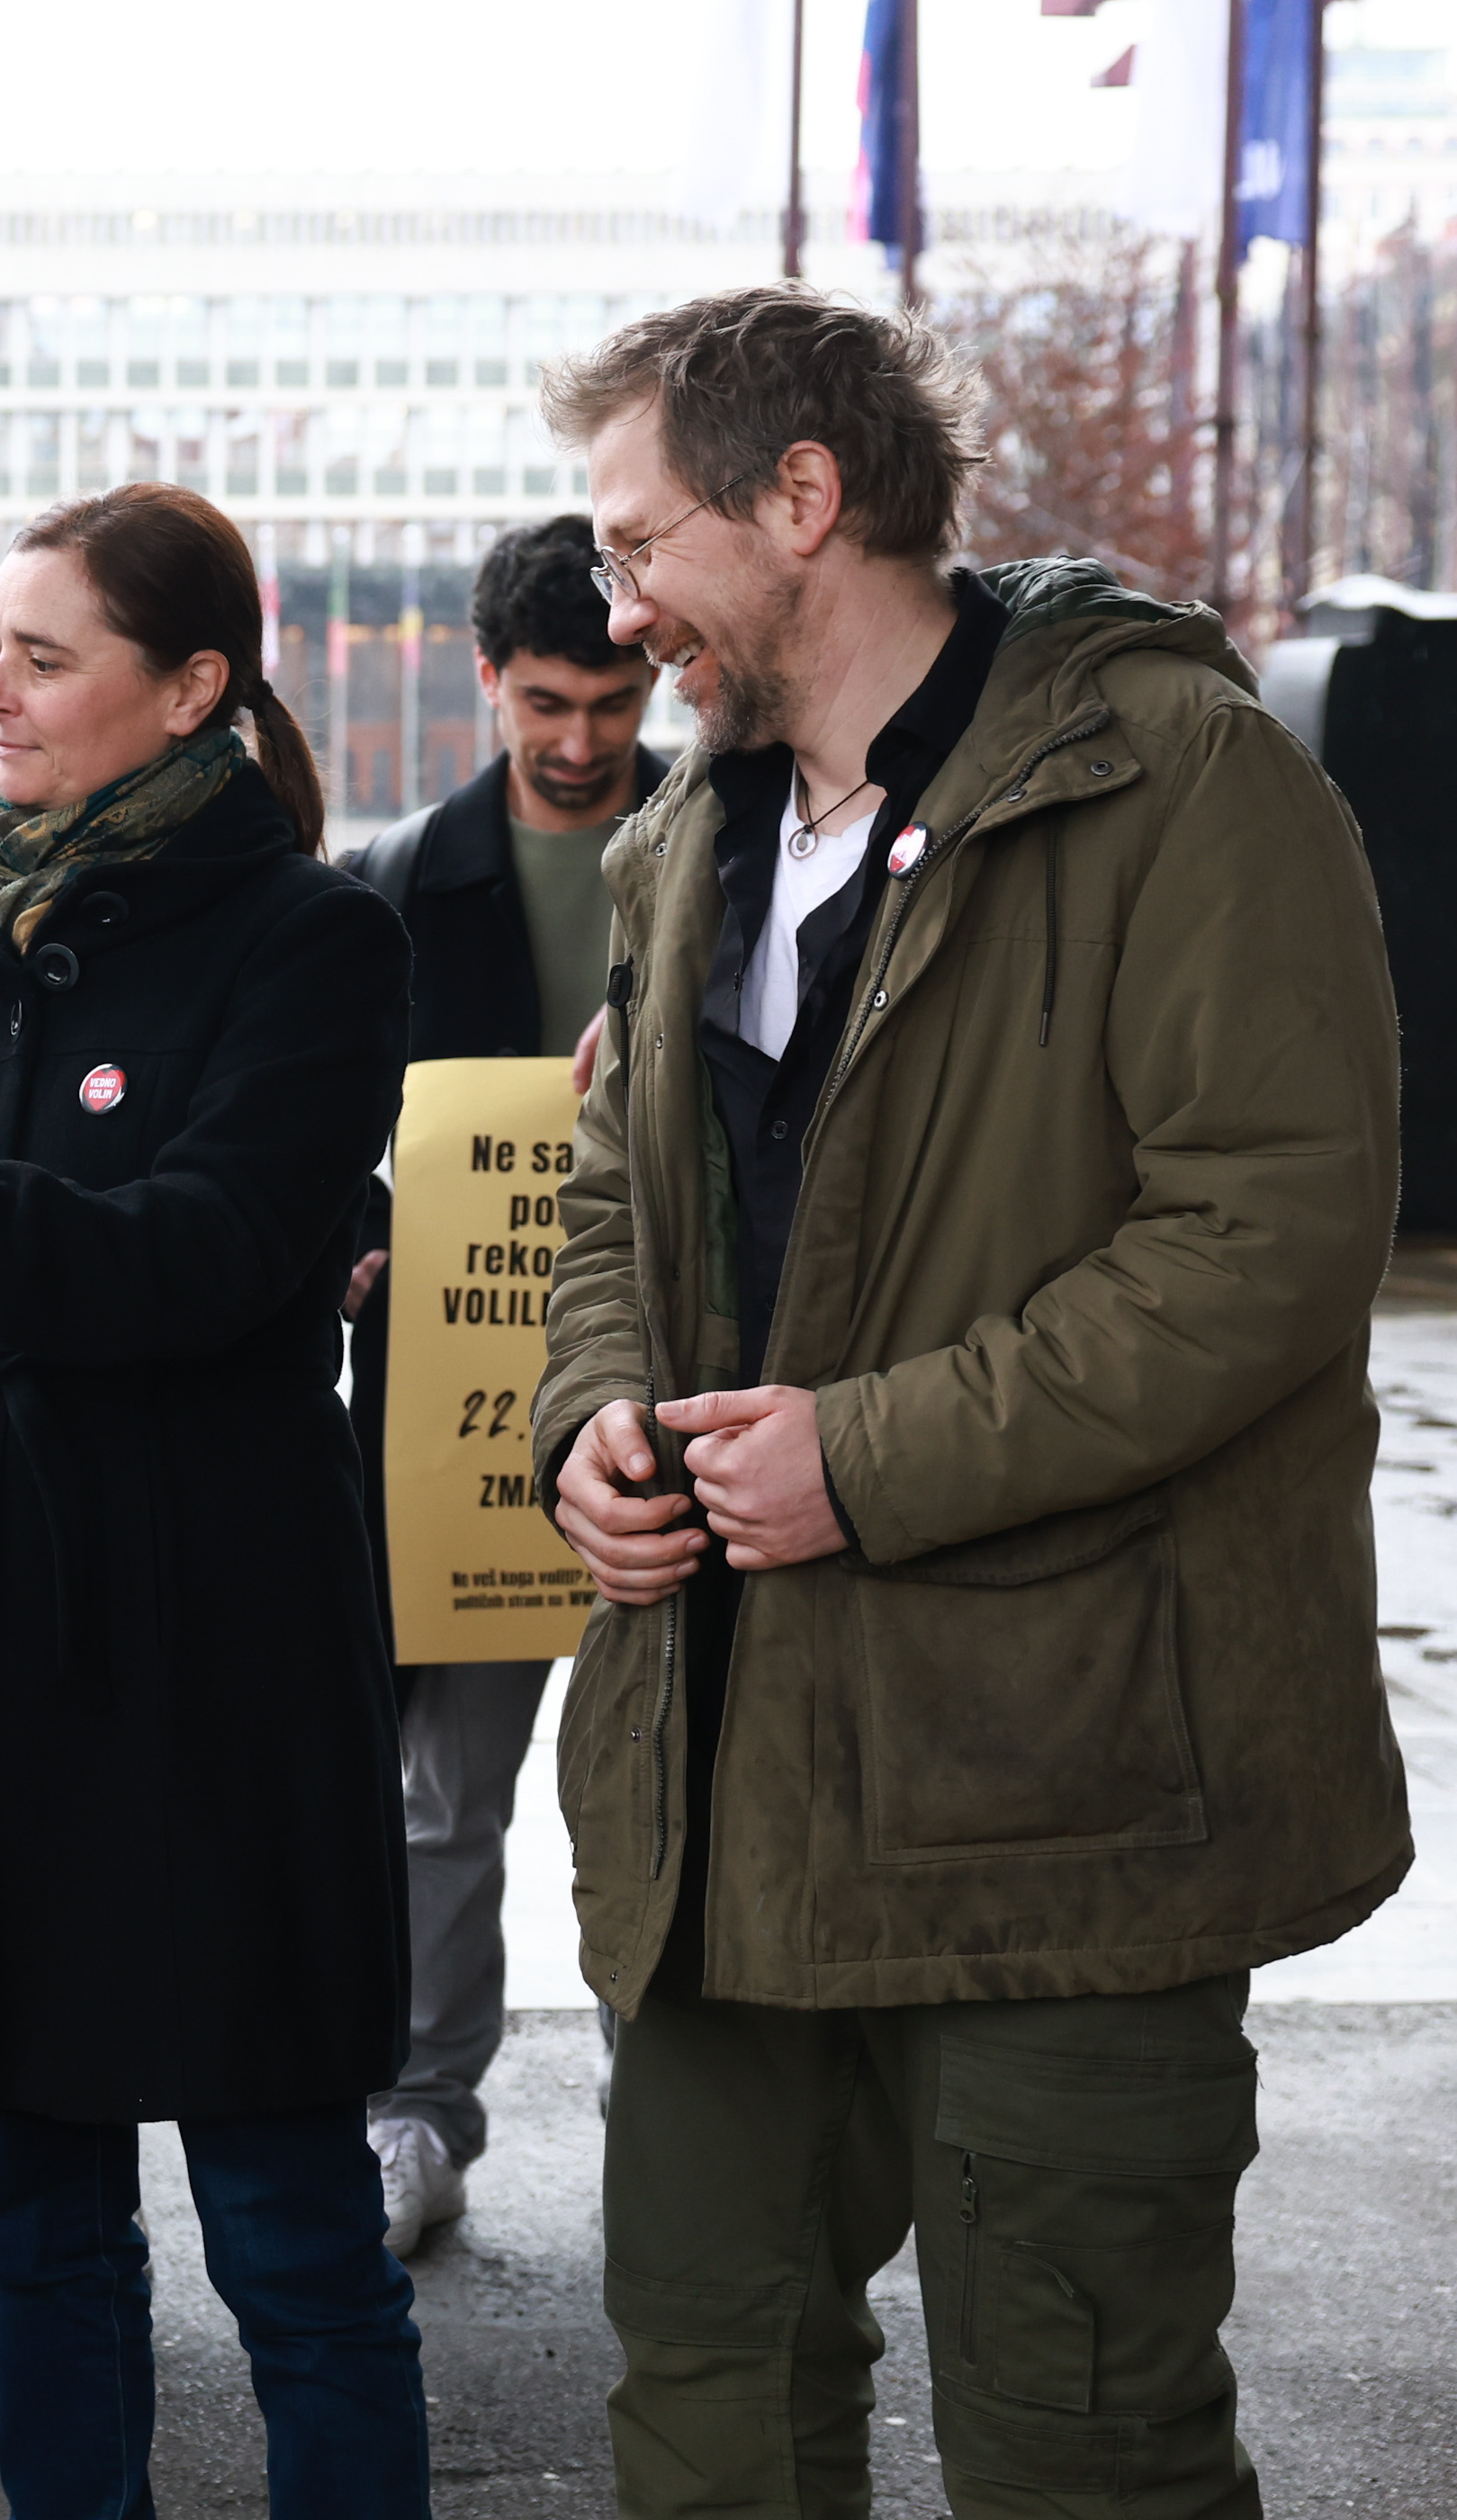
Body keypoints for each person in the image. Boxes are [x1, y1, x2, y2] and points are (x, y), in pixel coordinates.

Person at [534, 284, 1411, 2514]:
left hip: (1066, 1805)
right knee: (710, 2416)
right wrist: (592, 1427)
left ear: (803, 500)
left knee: (1080, 2449)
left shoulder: (1184, 781)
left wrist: (867, 1454)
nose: (616, 608)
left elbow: (1268, 1242)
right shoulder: (681, 848)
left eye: (641, 548)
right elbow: (601, 1208)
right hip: (722, 1793)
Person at [0, 482, 429, 2516]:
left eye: (43, 658)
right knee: (40, 2230)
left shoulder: (320, 936)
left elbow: (219, 1255)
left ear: (193, 686)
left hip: (213, 1666)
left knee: (291, 2232)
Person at [339, 516, 667, 2258]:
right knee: (442, 1795)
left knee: (656, 1778)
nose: (583, 738)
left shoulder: (724, 841)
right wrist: (352, 1232)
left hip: (664, 1400)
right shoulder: (399, 878)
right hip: (453, 1413)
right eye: (549, 698)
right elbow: (321, 1132)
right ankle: (415, 2107)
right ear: (489, 678)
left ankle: (673, 2103)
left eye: (615, 698)